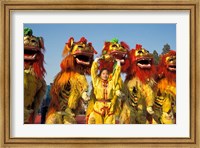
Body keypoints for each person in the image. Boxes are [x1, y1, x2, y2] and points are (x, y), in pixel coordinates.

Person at [87, 57, 122, 124]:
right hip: (98, 108)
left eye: (107, 74)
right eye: (103, 73)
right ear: (100, 75)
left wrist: (118, 63)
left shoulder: (111, 83)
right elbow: (93, 73)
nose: (105, 75)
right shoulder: (97, 82)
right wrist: (95, 61)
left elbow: (116, 76)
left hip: (110, 108)